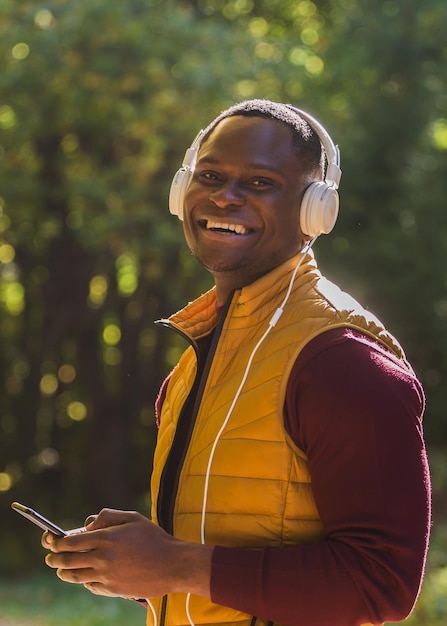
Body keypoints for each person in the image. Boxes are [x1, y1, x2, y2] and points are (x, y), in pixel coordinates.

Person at [43, 99, 431, 626]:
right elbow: (218, 573)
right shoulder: (197, 361)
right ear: (182, 193)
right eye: (210, 175)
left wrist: (176, 565)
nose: (224, 197)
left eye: (260, 183)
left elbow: (380, 585)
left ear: (314, 209)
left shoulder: (343, 362)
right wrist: (137, 563)